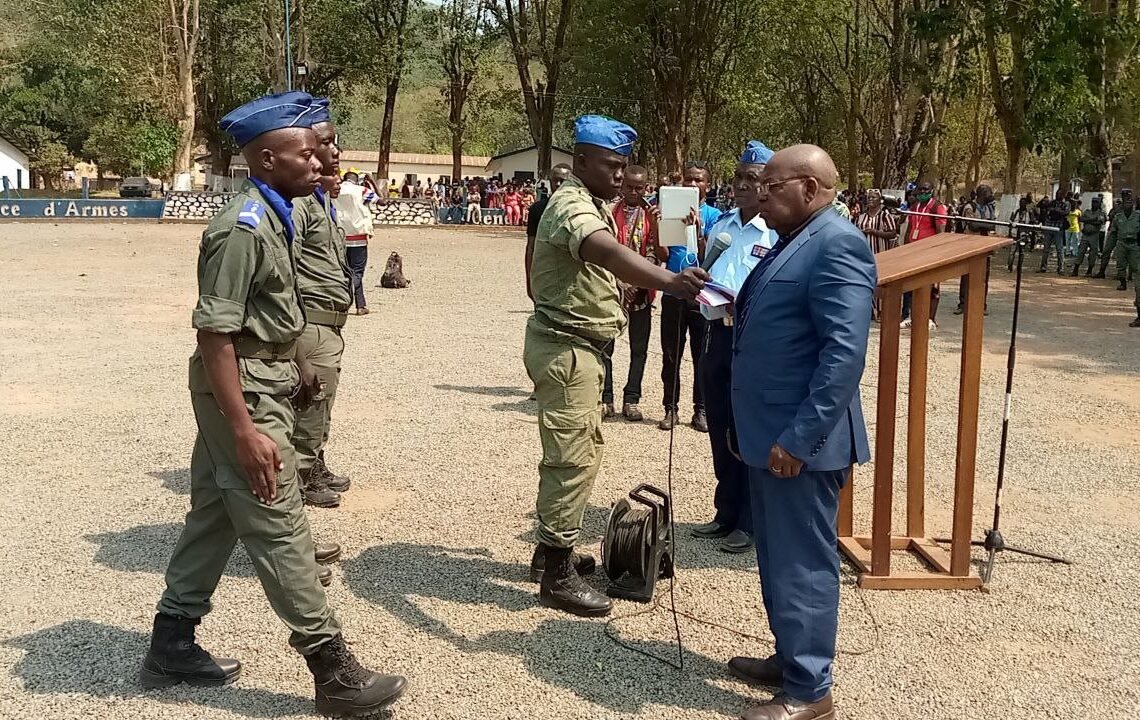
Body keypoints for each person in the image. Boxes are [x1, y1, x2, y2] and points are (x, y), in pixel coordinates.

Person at [141, 92, 406, 717]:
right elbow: (215, 334)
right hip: (244, 392)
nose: (319, 161)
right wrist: (245, 429)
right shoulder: (243, 228)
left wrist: (300, 362)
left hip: (267, 376)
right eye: (305, 153)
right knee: (277, 515)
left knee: (214, 513)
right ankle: (332, 670)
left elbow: (273, 313)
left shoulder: (280, 210)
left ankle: (171, 641)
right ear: (266, 159)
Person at [524, 115, 707, 617]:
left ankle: (548, 553)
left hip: (580, 346)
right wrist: (667, 280)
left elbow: (590, 266)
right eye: (610, 164)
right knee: (571, 457)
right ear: (580, 161)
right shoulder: (571, 204)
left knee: (580, 448)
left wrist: (615, 289)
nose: (620, 174)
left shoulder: (593, 203)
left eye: (624, 165)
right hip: (567, 349)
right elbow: (603, 248)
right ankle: (557, 575)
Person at [728, 144, 874, 720]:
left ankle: (810, 693)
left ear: (809, 189)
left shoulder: (839, 245)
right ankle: (792, 656)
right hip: (770, 432)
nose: (761, 193)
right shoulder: (795, 240)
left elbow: (843, 356)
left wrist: (799, 437)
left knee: (805, 564)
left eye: (772, 184)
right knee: (778, 555)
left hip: (800, 442)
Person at [692, 141, 775, 555]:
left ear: (768, 186)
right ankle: (725, 512)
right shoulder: (723, 225)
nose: (741, 185)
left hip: (754, 342)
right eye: (739, 177)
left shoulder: (778, 232)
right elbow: (709, 271)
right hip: (719, 334)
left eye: (752, 179)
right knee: (721, 424)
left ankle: (749, 520)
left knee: (747, 431)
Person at [290, 98, 353, 511]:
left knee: (320, 407)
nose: (336, 152)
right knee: (307, 410)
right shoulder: (299, 206)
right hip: (309, 325)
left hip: (327, 326)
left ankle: (313, 466)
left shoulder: (321, 203)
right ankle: (294, 498)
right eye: (327, 143)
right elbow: (286, 273)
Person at [658, 161, 719, 433]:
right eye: (689, 180)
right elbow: (662, 255)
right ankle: (670, 408)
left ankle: (701, 409)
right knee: (671, 353)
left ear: (708, 184)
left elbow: (709, 255)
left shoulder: (716, 216)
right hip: (673, 289)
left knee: (701, 356)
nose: (693, 185)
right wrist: (657, 225)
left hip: (701, 293)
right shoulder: (671, 213)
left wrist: (697, 228)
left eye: (699, 180)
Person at [602, 165, 658, 421]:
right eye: (629, 187)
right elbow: (604, 252)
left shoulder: (653, 215)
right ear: (622, 185)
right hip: (613, 290)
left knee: (640, 349)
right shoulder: (609, 213)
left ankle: (631, 399)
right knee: (605, 348)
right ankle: (606, 398)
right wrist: (620, 283)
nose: (634, 192)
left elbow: (660, 254)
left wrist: (657, 225)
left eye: (639, 187)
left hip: (642, 293)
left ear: (647, 187)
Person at [901, 181, 946, 329]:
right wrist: (906, 248)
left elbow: (941, 231)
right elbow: (910, 228)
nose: (922, 192)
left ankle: (930, 318)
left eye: (925, 189)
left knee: (933, 285)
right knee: (913, 285)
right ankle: (913, 317)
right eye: (920, 189)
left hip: (930, 252)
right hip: (914, 252)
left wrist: (938, 251)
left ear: (932, 190)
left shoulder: (936, 207)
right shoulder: (915, 206)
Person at [525, 164, 572, 300]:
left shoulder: (578, 210)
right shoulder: (537, 209)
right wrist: (529, 281)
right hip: (544, 276)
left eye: (562, 181)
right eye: (555, 180)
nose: (558, 184)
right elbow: (531, 247)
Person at [334, 171, 377, 316]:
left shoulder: (336, 190)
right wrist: (372, 181)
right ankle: (356, 305)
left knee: (344, 272)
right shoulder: (361, 191)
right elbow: (381, 201)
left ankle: (357, 304)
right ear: (356, 180)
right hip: (358, 236)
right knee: (357, 272)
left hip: (341, 236)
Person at [854, 189, 898, 322]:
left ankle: (881, 311)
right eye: (869, 197)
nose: (870, 200)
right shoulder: (861, 216)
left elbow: (892, 233)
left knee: (880, 281)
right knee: (865, 280)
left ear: (880, 201)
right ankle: (869, 310)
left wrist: (875, 232)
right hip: (864, 254)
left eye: (874, 198)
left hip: (880, 252)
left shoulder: (885, 215)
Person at [956, 184, 995, 315]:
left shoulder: (990, 208)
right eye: (989, 193)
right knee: (967, 275)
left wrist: (982, 225)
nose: (991, 196)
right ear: (982, 194)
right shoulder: (969, 207)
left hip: (985, 245)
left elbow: (993, 225)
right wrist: (986, 225)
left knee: (984, 276)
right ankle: (963, 303)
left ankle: (981, 305)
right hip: (970, 245)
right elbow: (972, 225)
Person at [1105, 189, 1140, 326]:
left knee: (1137, 276)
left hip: (1135, 246)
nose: (1128, 203)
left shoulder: (1138, 216)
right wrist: (1108, 249)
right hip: (1122, 243)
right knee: (1121, 265)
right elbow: (1113, 234)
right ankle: (1123, 282)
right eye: (1126, 201)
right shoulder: (1118, 216)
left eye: (1130, 201)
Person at [1072, 195, 1108, 277]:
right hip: (1085, 234)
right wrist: (1093, 219)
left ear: (1099, 204)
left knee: (1093, 253)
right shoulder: (1087, 211)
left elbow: (1100, 222)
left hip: (1094, 235)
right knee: (1081, 251)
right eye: (1093, 202)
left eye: (1096, 203)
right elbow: (1081, 219)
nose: (1094, 204)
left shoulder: (1101, 213)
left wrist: (1088, 220)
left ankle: (1089, 271)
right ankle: (1075, 269)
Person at [1039, 190, 1069, 274]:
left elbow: (1066, 212)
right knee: (1046, 249)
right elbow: (1042, 206)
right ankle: (1043, 267)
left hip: (1058, 228)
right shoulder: (1051, 202)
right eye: (1056, 194)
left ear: (1062, 195)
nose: (1057, 195)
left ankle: (1061, 268)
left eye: (1059, 194)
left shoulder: (1065, 204)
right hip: (1049, 226)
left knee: (1060, 249)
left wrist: (1056, 210)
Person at [1008, 195, 1038, 271]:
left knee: (1022, 252)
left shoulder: (1029, 212)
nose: (1022, 205)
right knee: (1012, 251)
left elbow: (1032, 222)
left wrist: (1029, 233)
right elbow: (1010, 221)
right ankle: (1010, 267)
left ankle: (1019, 268)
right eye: (1021, 203)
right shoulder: (1015, 211)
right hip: (1015, 234)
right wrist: (1011, 229)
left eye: (1024, 203)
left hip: (1024, 235)